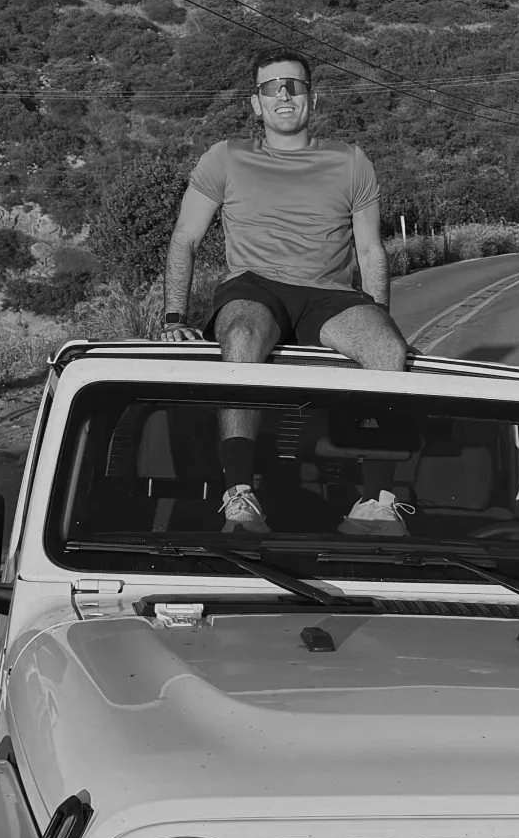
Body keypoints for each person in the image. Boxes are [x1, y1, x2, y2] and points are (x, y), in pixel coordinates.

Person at [157, 47, 413, 534]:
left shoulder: (352, 161)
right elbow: (184, 239)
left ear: (312, 98)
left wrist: (381, 316)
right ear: (256, 104)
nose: (284, 96)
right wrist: (174, 317)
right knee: (242, 335)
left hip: (328, 295)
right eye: (272, 88)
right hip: (255, 285)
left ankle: (374, 503)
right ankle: (240, 496)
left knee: (387, 349)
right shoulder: (226, 157)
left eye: (294, 86)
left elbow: (371, 252)